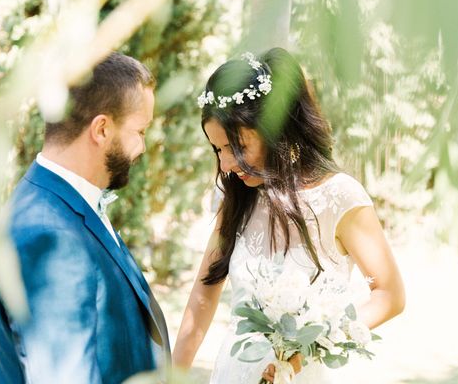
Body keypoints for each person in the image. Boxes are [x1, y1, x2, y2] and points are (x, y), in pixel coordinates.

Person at [172, 48, 405, 383]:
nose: (226, 165)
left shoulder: (339, 196)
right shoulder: (235, 195)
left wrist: (308, 348)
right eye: (218, 149)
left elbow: (390, 295)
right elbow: (203, 295)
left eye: (237, 147)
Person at [0, 53, 170, 383]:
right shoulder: (48, 237)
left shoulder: (58, 204)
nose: (142, 147)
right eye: (140, 131)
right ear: (101, 129)